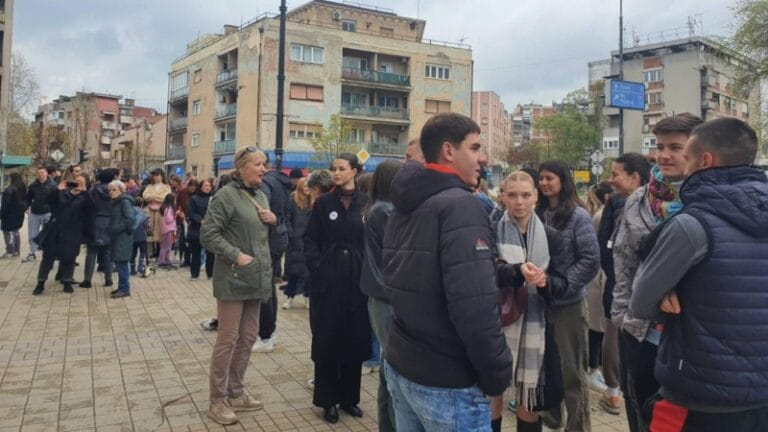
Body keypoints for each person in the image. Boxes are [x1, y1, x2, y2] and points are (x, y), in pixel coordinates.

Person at [629, 117, 768, 431]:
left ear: (705, 161)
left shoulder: (692, 224)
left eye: (686, 157)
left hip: (698, 395)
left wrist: (670, 292)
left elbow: (640, 303)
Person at [383, 113, 512, 431]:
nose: (482, 158)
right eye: (475, 147)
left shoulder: (405, 204)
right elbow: (475, 307)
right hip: (447, 382)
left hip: (404, 365)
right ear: (448, 151)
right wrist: (497, 372)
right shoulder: (460, 206)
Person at [611, 114, 702, 432]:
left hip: (693, 337)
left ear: (698, 149)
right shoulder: (638, 200)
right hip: (641, 332)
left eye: (675, 147)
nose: (663, 155)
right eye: (659, 146)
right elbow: (623, 262)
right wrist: (623, 319)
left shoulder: (706, 200)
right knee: (641, 412)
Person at [200, 147, 275, 426]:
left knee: (247, 338)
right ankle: (217, 400)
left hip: (256, 278)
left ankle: (236, 391)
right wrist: (235, 255)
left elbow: (260, 235)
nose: (263, 168)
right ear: (242, 167)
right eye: (258, 164)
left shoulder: (262, 195)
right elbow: (208, 234)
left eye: (264, 163)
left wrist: (274, 221)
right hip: (233, 278)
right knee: (227, 340)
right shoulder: (226, 196)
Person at [493, 170, 568, 432]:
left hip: (537, 327)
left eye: (526, 195)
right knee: (493, 396)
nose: (519, 202)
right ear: (502, 196)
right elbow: (484, 272)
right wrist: (516, 271)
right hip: (497, 324)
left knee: (530, 401)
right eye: (512, 195)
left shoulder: (552, 237)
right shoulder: (491, 230)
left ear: (536, 196)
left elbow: (563, 284)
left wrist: (546, 282)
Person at [303, 153, 371, 424]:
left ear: (355, 171)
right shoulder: (323, 203)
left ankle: (349, 398)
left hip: (357, 280)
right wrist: (318, 267)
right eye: (334, 169)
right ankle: (327, 400)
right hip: (329, 281)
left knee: (355, 337)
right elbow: (310, 239)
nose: (336, 173)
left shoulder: (366, 203)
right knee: (328, 337)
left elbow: (372, 240)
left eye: (342, 168)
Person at [536, 160, 600, 432]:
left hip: (568, 305)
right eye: (541, 178)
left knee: (572, 372)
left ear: (563, 180)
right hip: (540, 304)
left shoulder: (578, 215)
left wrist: (564, 285)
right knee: (545, 370)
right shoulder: (537, 212)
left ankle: (578, 426)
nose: (544, 183)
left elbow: (590, 259)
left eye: (550, 178)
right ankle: (551, 421)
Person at [358, 159, 403, 432]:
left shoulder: (380, 208)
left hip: (382, 293)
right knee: (393, 365)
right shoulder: (385, 211)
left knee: (389, 365)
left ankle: (388, 425)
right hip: (386, 294)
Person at [32, 174, 89, 295]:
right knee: (48, 258)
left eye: (81, 182)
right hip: (55, 230)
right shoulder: (62, 193)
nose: (77, 183)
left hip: (72, 232)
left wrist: (84, 192)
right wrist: (57, 189)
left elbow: (91, 210)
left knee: (69, 258)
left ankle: (67, 281)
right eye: (76, 181)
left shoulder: (85, 197)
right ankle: (40, 283)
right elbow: (47, 200)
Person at [81, 169, 116, 289]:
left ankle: (87, 280)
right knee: (108, 252)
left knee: (91, 252)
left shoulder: (93, 190)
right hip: (109, 222)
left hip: (95, 222)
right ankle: (108, 279)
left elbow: (87, 204)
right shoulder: (114, 190)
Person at [282, 177, 312, 309]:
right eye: (304, 185)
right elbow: (287, 218)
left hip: (308, 241)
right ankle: (289, 297)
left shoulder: (314, 201)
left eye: (308, 185)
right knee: (293, 273)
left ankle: (307, 297)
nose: (307, 188)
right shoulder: (293, 200)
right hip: (295, 242)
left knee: (308, 273)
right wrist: (291, 234)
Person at [107, 180, 135, 298]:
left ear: (121, 190)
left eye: (114, 190)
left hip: (123, 236)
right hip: (117, 236)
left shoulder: (124, 202)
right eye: (110, 190)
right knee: (119, 262)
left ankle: (124, 289)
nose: (111, 192)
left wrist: (116, 228)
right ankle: (122, 286)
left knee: (122, 262)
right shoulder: (115, 202)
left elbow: (129, 219)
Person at [23, 166, 56, 262]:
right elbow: (28, 197)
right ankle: (32, 253)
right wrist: (26, 207)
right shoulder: (33, 186)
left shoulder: (53, 185)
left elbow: (56, 199)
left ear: (46, 173)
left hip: (47, 213)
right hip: (34, 213)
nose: (40, 175)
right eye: (38, 173)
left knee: (48, 235)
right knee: (32, 234)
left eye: (42, 172)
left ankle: (49, 255)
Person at [188, 178, 216, 280]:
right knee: (196, 253)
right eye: (205, 185)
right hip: (197, 229)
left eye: (209, 185)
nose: (208, 187)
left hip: (210, 229)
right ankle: (194, 274)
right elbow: (191, 213)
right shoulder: (194, 198)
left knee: (211, 253)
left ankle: (210, 273)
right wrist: (200, 220)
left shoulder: (214, 198)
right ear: (200, 187)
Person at [142, 169, 172, 261]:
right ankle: (149, 256)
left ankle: (161, 256)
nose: (155, 177)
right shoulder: (149, 186)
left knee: (161, 234)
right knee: (149, 233)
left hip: (161, 212)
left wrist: (153, 197)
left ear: (161, 176)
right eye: (154, 175)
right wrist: (156, 197)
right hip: (150, 212)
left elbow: (165, 197)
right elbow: (145, 196)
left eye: (157, 175)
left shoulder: (166, 187)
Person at [1, 172, 27, 258]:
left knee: (7, 232)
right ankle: (16, 251)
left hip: (9, 214)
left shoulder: (9, 189)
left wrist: (1, 214)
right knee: (15, 231)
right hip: (19, 214)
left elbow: (5, 204)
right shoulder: (22, 188)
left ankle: (9, 251)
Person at [131, 197, 149, 276]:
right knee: (143, 252)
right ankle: (140, 267)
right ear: (142, 204)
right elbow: (146, 225)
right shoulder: (143, 213)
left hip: (132, 236)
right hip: (142, 236)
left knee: (132, 253)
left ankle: (132, 269)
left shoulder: (130, 212)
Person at [158, 193, 177, 269]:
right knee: (167, 246)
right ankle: (163, 260)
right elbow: (169, 219)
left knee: (165, 245)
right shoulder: (169, 208)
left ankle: (166, 260)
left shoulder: (163, 207)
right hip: (169, 229)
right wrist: (175, 215)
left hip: (165, 229)